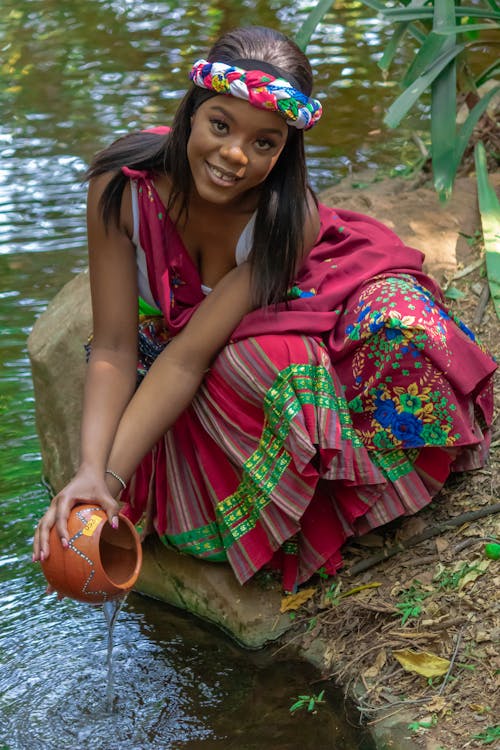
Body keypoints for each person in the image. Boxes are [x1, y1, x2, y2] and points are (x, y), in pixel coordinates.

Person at [32, 25, 496, 593]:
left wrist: (105, 474)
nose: (234, 156)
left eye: (264, 143)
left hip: (311, 294)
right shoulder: (123, 185)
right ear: (192, 112)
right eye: (220, 125)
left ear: (284, 150)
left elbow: (190, 355)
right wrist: (95, 476)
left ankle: (365, 479)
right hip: (209, 348)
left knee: (400, 330)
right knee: (273, 366)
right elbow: (115, 346)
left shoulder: (287, 217)